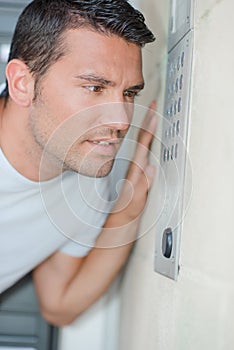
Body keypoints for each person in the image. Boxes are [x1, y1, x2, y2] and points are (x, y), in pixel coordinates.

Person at [0, 0, 156, 326]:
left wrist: (125, 211)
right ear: (22, 83)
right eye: (94, 87)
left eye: (129, 93)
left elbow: (60, 304)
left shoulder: (85, 186)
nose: (122, 120)